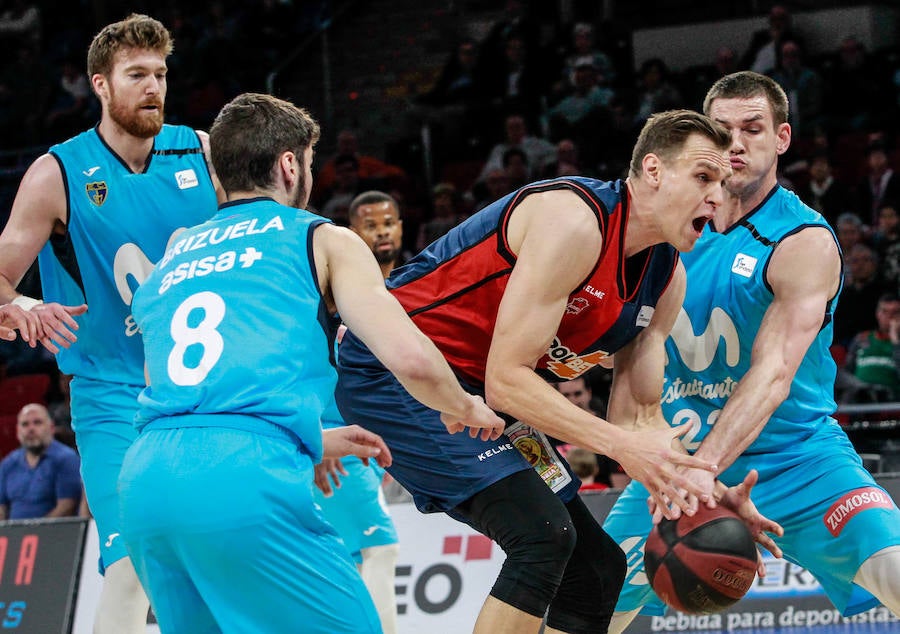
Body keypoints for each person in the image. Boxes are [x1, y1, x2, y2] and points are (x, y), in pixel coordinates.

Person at [337, 109, 746, 634]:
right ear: (653, 170)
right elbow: (507, 378)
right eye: (703, 177)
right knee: (542, 536)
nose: (717, 196)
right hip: (401, 368)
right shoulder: (574, 219)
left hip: (483, 395)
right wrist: (620, 446)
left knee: (598, 571)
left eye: (723, 184)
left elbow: (640, 419)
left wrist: (699, 489)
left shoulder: (667, 278)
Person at [117, 92, 505, 634]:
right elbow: (411, 357)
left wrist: (307, 437)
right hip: (242, 477)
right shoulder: (320, 236)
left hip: (147, 480)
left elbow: (181, 385)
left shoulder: (175, 254)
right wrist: (466, 405)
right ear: (289, 163)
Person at [603, 71, 900, 633]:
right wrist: (669, 464)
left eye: (753, 129)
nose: (735, 143)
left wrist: (704, 468)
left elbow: (774, 372)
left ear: (782, 138)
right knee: (584, 610)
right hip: (678, 473)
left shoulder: (801, 241)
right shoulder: (668, 236)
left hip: (798, 462)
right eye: (721, 130)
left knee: (894, 567)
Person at [0, 14, 221, 634]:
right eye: (136, 75)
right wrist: (21, 306)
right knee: (130, 564)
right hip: (111, 397)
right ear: (100, 84)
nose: (153, 87)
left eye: (160, 74)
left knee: (210, 563)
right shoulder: (58, 173)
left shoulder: (202, 151)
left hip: (203, 393)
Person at [314, 190, 405, 633]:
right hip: (333, 435)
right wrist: (313, 431)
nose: (383, 230)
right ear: (352, 233)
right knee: (380, 550)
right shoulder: (333, 294)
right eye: (370, 224)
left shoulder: (411, 286)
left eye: (389, 221)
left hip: (366, 441)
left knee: (348, 563)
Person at [0, 403, 81, 520]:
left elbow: (67, 506)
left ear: (51, 428)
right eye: (25, 424)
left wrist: (36, 531)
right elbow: (1, 507)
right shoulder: (8, 463)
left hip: (53, 534)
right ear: (18, 431)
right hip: (14, 535)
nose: (31, 429)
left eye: (37, 422)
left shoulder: (66, 459)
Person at [555, 375, 630, 490]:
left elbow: (620, 488)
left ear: (589, 393)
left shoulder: (607, 429)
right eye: (566, 395)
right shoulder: (550, 430)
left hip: (603, 500)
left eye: (578, 393)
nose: (573, 400)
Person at [838, 293, 900, 404]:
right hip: (859, 397)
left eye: (895, 312)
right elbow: (849, 369)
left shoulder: (897, 344)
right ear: (877, 314)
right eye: (885, 312)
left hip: (889, 400)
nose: (889, 317)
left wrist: (895, 340)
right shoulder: (862, 338)